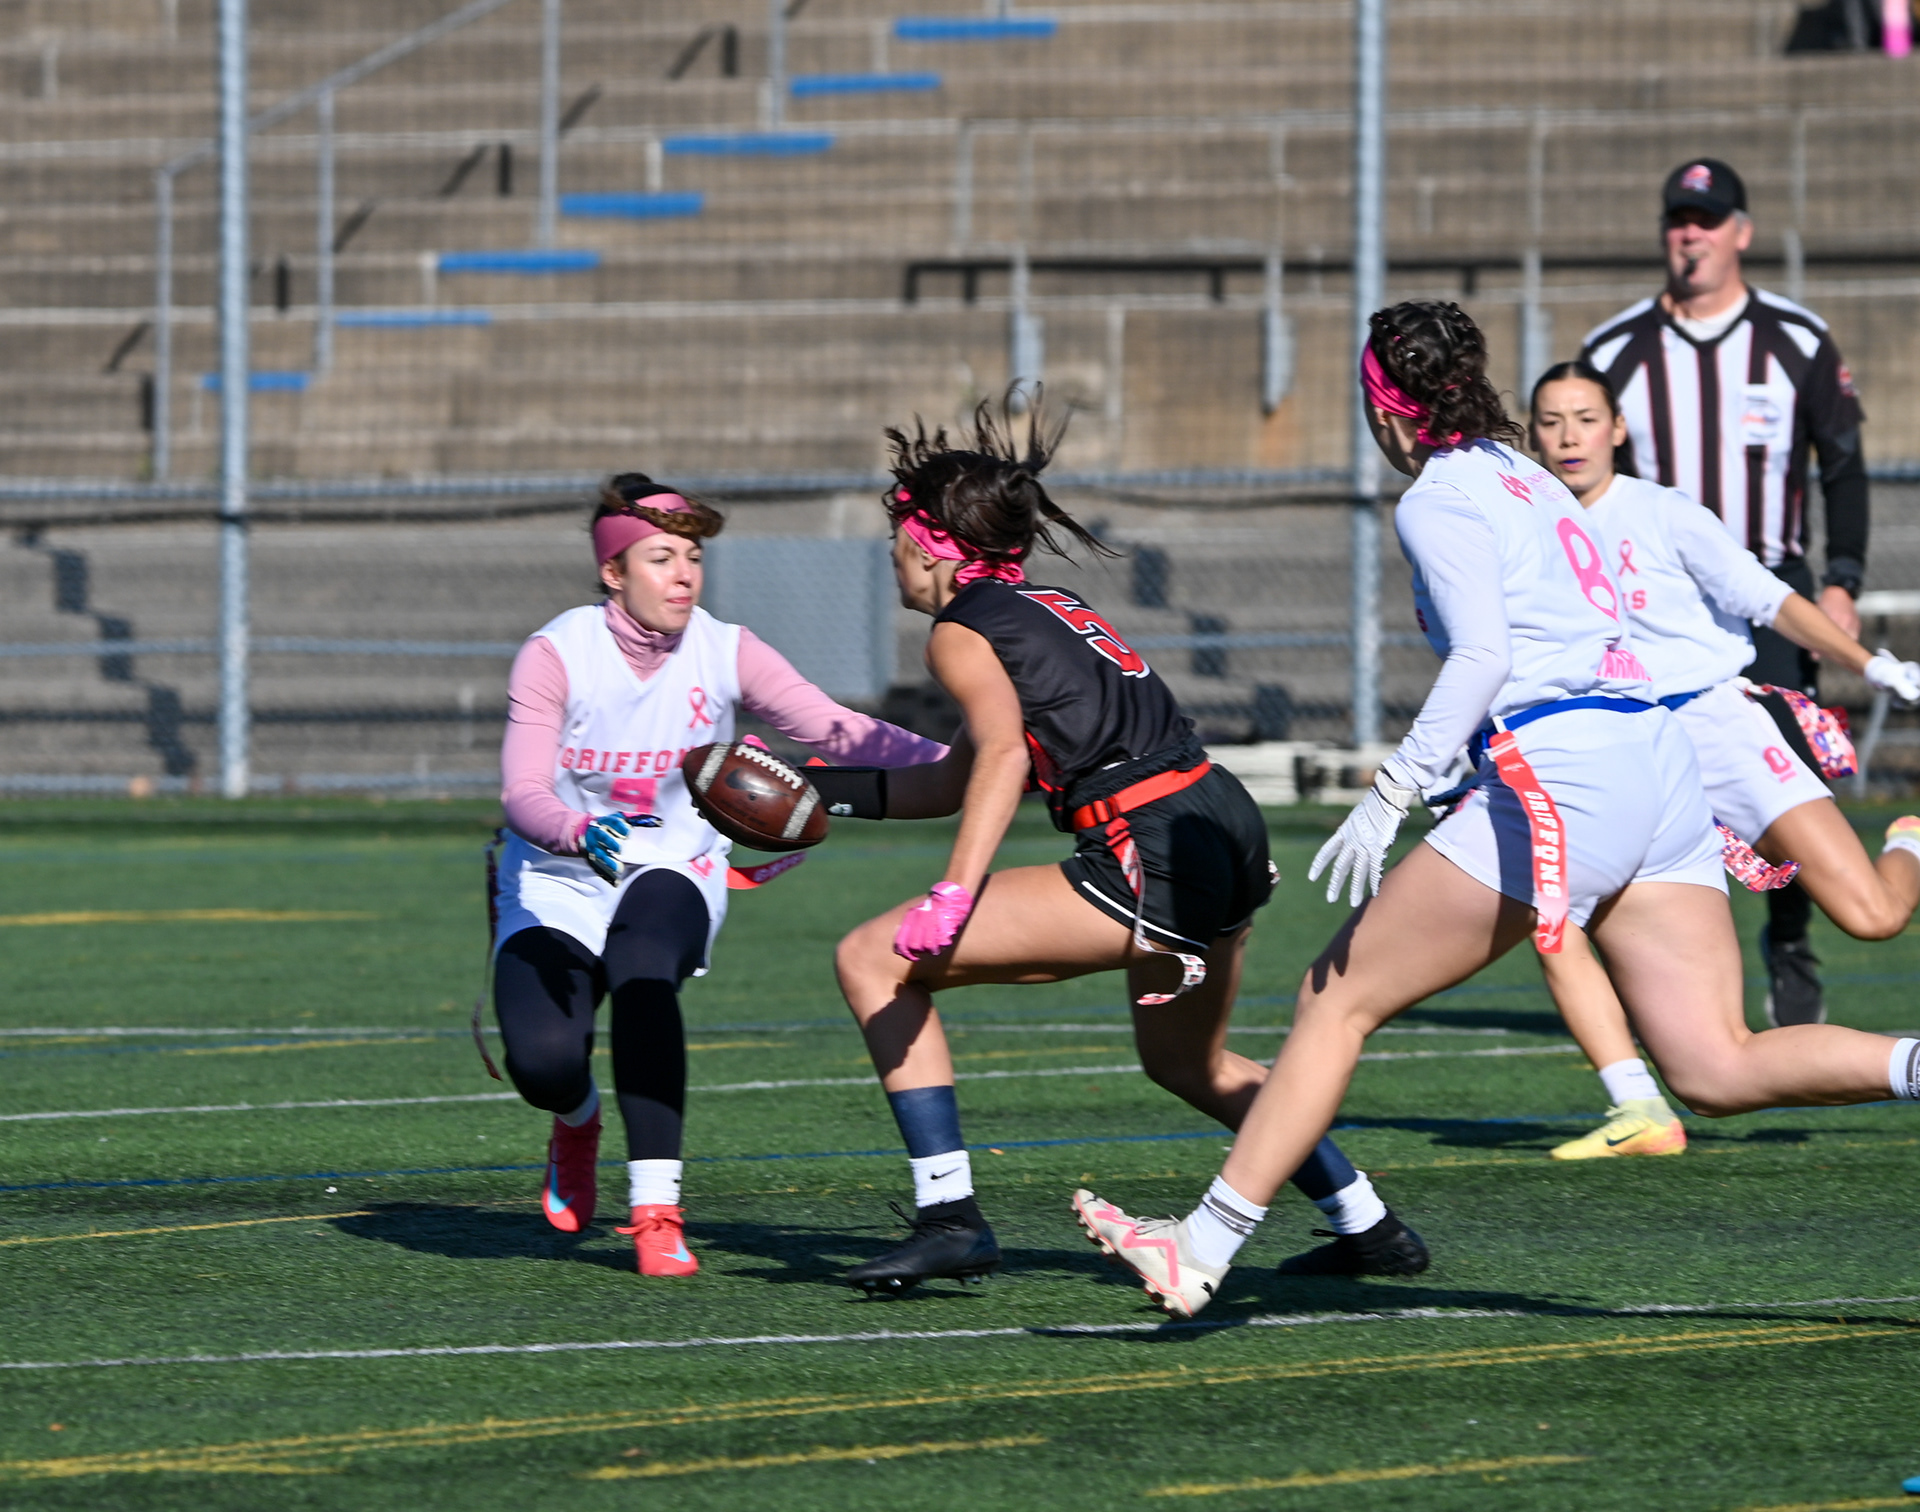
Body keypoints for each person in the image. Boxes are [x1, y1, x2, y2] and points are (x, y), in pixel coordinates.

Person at [1075, 300, 1920, 1319]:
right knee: (1715, 1063)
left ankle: (1202, 1246)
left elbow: (1485, 656)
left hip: (1569, 771)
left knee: (1334, 1000)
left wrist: (1393, 790)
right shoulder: (1529, 474)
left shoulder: (1440, 496)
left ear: (1385, 406)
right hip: (1655, 762)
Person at [827, 400, 1422, 1296]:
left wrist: (955, 891)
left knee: (871, 958)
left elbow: (1001, 757)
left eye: (896, 536)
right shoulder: (1043, 606)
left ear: (930, 544)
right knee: (1188, 1063)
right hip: (1217, 817)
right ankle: (1367, 1225)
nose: (891, 554)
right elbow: (953, 780)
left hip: (1148, 843)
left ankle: (950, 1219)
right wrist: (820, 791)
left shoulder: (960, 630)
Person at [491, 474, 946, 1276]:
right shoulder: (556, 653)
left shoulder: (724, 648)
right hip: (558, 871)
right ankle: (577, 1117)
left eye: (693, 558)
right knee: (544, 1064)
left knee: (643, 974)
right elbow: (523, 792)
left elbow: (838, 730)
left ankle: (656, 1210)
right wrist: (578, 831)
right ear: (612, 572)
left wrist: (970, 763)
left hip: (675, 864)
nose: (684, 575)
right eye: (661, 558)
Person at [1526, 360, 1920, 1160]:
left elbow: (1768, 598)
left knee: (1873, 917)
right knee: (1554, 916)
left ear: (1619, 429)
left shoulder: (1664, 513)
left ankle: (1910, 839)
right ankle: (1637, 1103)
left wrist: (1870, 664)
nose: (1569, 437)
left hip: (1716, 731)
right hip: (1621, 754)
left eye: (1586, 418)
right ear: (1530, 436)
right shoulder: (1525, 528)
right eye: (1551, 421)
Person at [1582, 158, 1872, 1027]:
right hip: (1653, 605)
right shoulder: (1616, 352)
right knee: (1648, 775)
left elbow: (1843, 465)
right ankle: (1666, 967)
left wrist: (1842, 581)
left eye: (1707, 219)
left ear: (1741, 232)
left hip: (1769, 590)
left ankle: (1790, 940)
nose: (1691, 234)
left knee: (1786, 771)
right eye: (1679, 218)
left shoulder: (1796, 340)